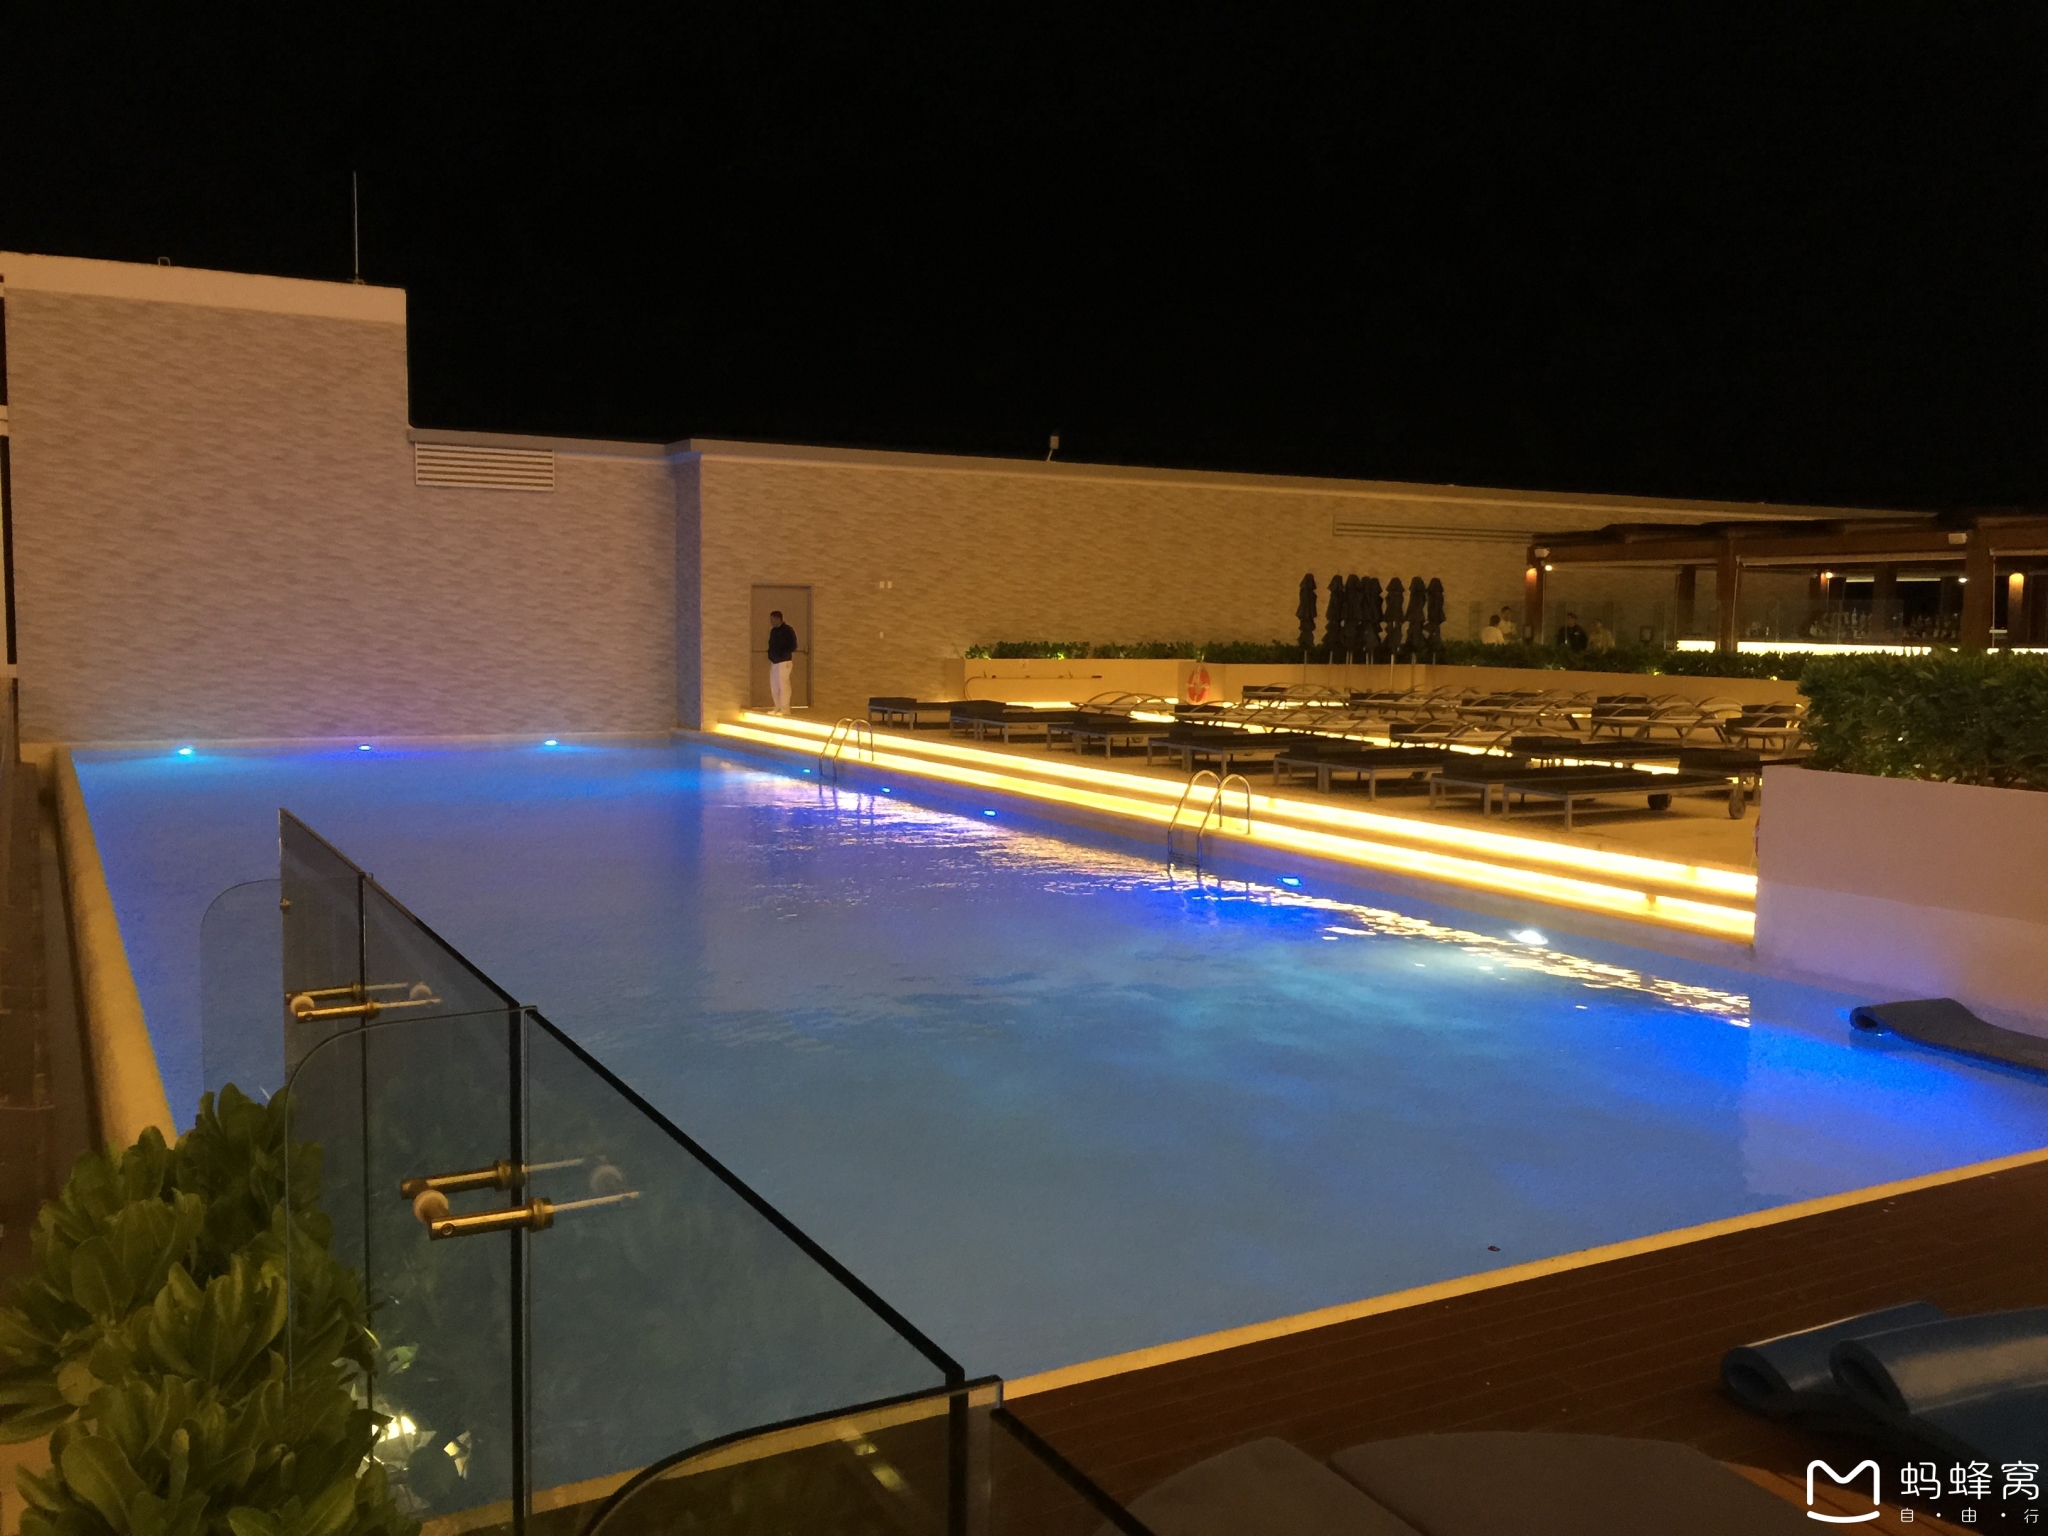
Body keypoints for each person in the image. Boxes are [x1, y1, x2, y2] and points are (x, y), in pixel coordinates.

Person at [766, 609, 798, 714]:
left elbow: (793, 645)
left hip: (784, 661)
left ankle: (785, 709)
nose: (771, 622)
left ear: (778, 619)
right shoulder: (773, 631)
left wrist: (782, 654)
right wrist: (771, 655)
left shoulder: (787, 630)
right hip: (774, 661)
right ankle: (777, 706)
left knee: (783, 685)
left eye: (772, 620)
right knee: (774, 685)